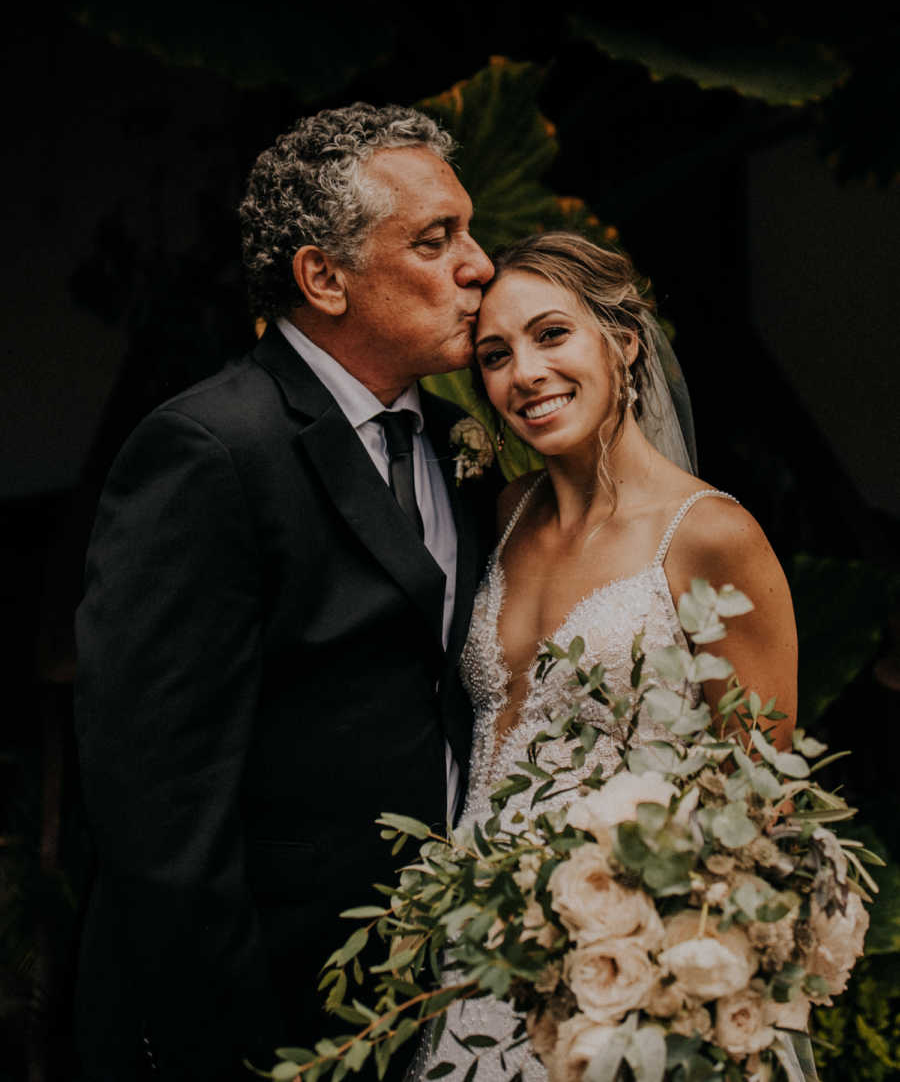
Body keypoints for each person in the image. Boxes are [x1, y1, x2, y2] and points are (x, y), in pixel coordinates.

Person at [73, 104, 498, 1082]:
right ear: (323, 276)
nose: (479, 265)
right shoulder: (210, 450)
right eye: (436, 241)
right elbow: (155, 805)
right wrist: (230, 1042)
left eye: (469, 234)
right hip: (268, 1012)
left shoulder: (453, 442)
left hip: (432, 995)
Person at [411, 231, 802, 1082]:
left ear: (623, 341)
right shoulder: (505, 513)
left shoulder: (710, 537)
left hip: (614, 980)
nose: (525, 373)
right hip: (467, 960)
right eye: (495, 354)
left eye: (553, 334)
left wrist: (646, 961)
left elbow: (759, 801)